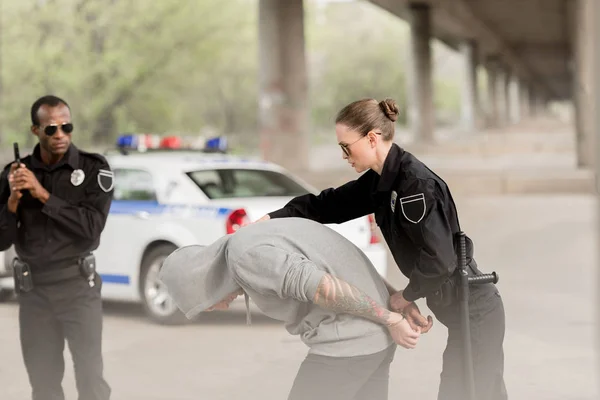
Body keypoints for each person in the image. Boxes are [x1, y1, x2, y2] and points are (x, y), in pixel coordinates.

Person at [256, 98, 507, 400]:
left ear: (372, 138)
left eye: (346, 146)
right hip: (462, 313)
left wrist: (405, 296)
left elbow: (439, 261)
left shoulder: (414, 185)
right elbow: (328, 205)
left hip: (475, 311)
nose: (344, 155)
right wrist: (272, 219)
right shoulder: (381, 183)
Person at [159, 217, 429, 400]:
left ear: (200, 286)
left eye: (203, 306)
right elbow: (340, 259)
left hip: (349, 342)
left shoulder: (246, 258)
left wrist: (392, 318)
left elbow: (324, 287)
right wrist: (395, 300)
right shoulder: (253, 239)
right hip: (375, 341)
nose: (215, 308)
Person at [0, 95, 113, 400]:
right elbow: (1, 240)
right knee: (44, 385)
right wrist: (12, 201)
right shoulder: (14, 173)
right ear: (35, 130)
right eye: (51, 129)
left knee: (91, 380)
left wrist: (41, 194)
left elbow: (91, 229)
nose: (60, 134)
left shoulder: (93, 169)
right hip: (34, 292)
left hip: (78, 288)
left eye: (67, 127)